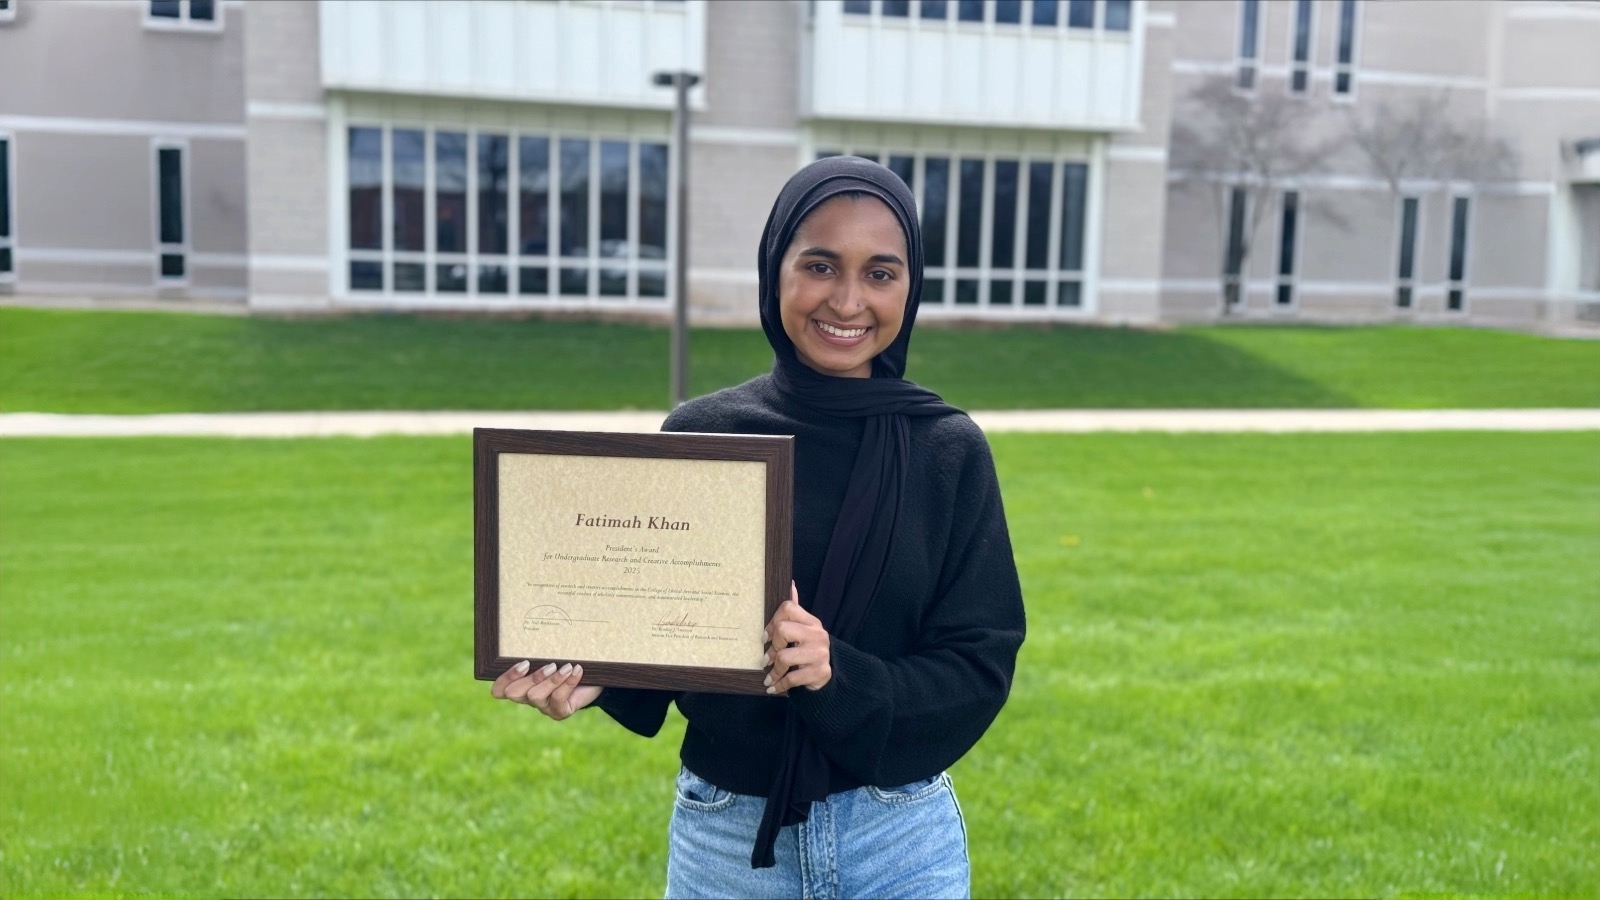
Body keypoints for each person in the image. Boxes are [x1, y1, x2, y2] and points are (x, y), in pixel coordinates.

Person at [490, 156, 1026, 899]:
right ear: (776, 270)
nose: (847, 299)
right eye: (819, 265)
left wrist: (838, 676)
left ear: (911, 287)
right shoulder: (705, 436)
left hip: (898, 836)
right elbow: (659, 624)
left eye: (880, 273)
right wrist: (590, 676)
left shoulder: (946, 450)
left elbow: (980, 663)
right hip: (726, 839)